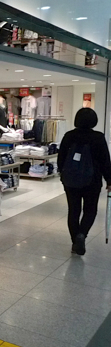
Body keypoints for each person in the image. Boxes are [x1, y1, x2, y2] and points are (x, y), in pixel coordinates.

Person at [58, 108, 111, 255]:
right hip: (92, 181)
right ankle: (82, 235)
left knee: (73, 210)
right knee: (90, 209)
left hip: (71, 180)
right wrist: (109, 179)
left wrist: (63, 174)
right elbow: (105, 161)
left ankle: (75, 241)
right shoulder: (98, 137)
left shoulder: (69, 136)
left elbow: (61, 158)